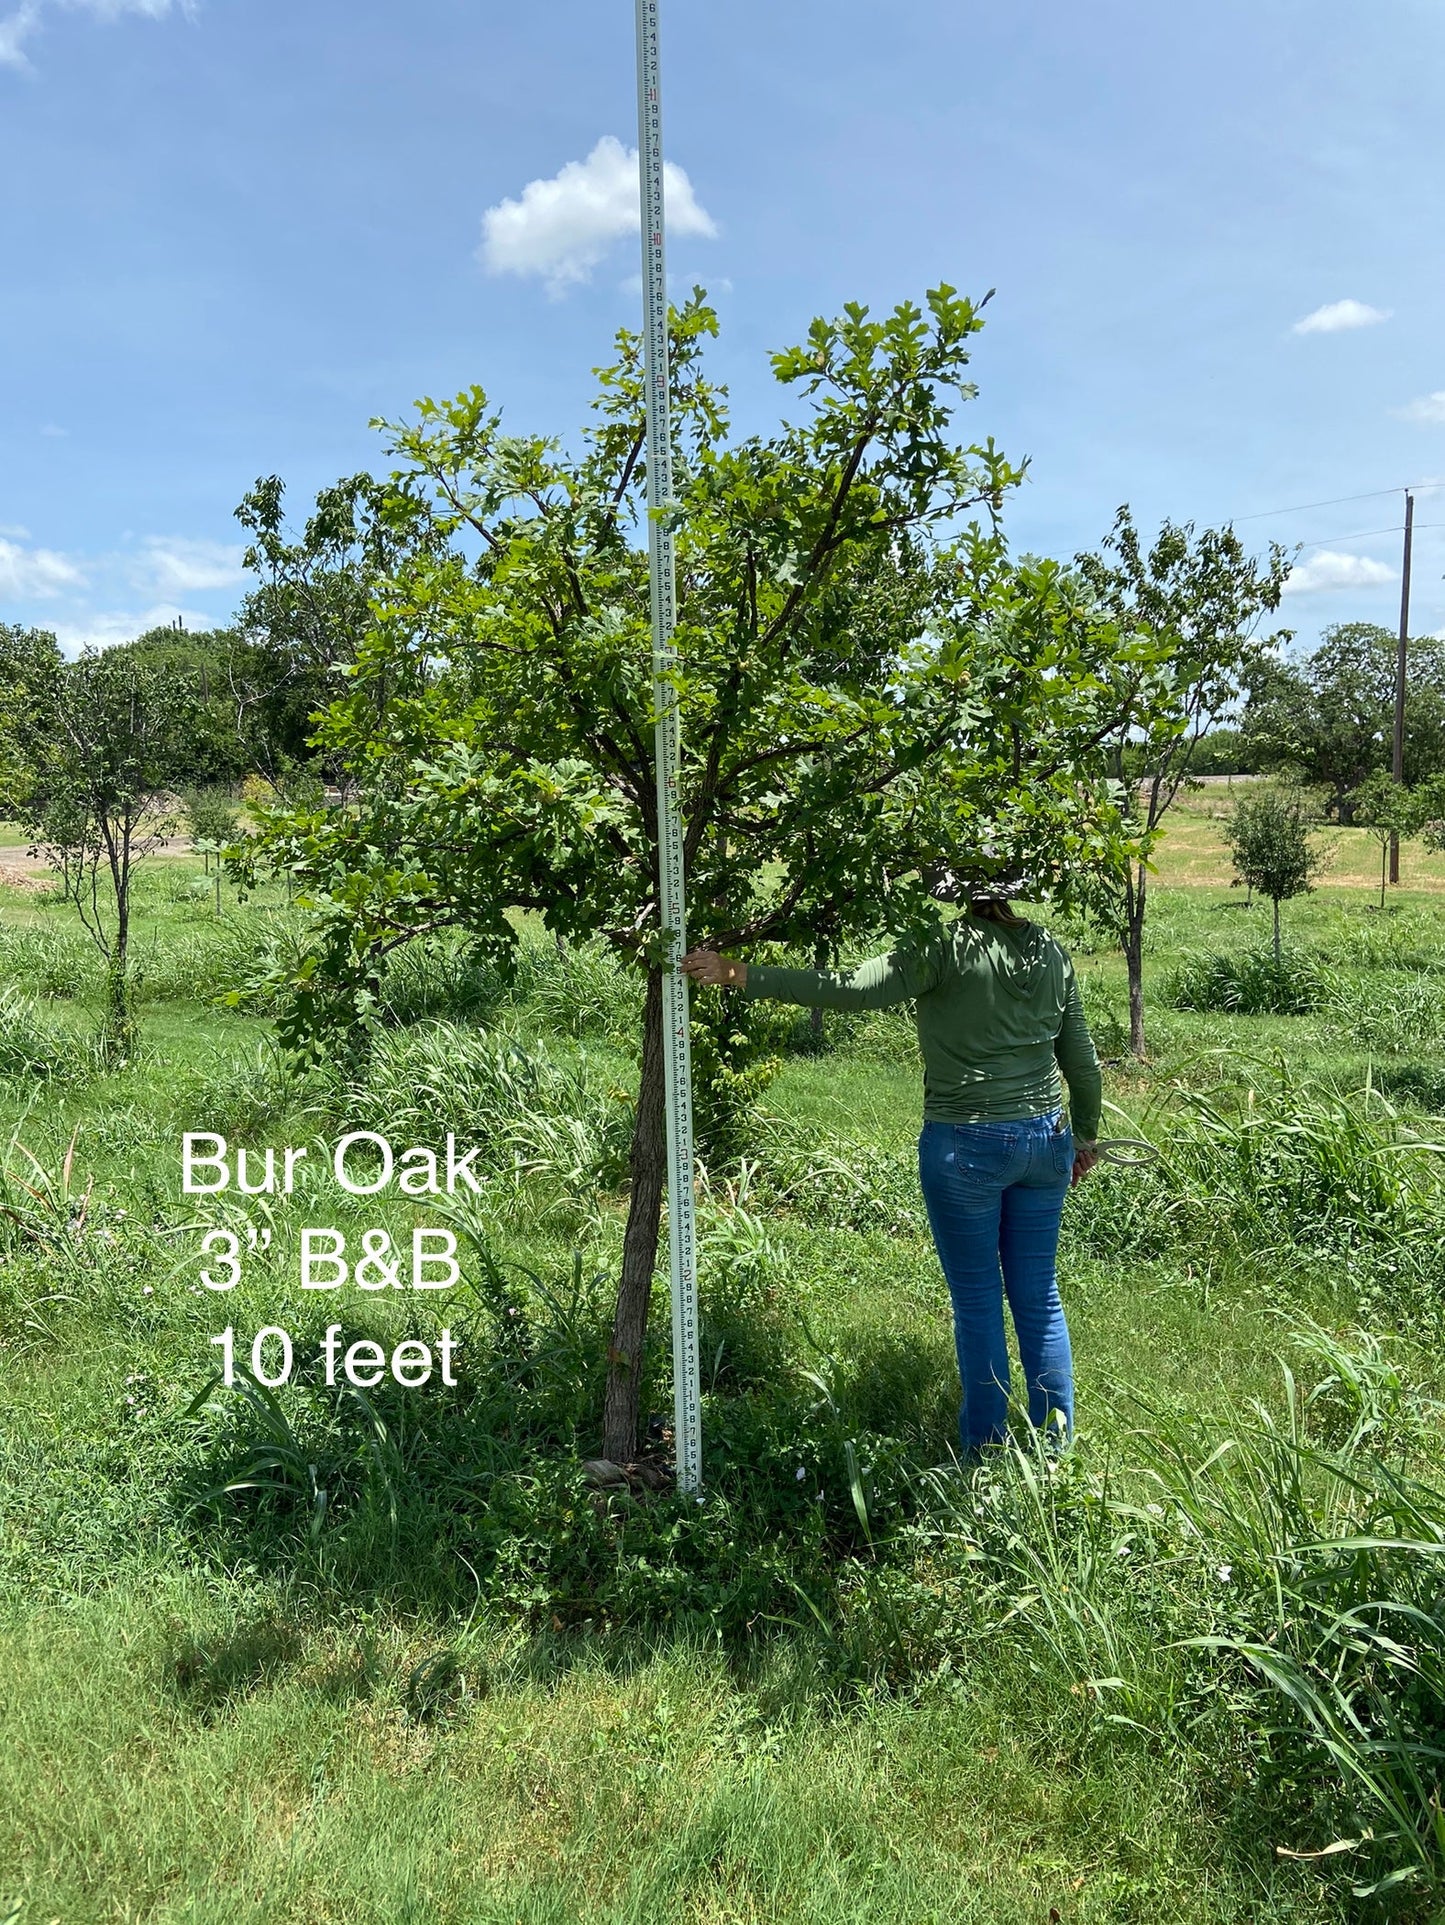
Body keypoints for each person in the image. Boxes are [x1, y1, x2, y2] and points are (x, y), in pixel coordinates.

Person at [681, 898, 1101, 1459]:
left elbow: (854, 989)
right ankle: (1055, 1453)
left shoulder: (945, 946)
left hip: (969, 1140)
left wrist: (739, 973)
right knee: (1039, 1297)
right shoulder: (1051, 951)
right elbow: (1082, 1060)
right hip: (1045, 1141)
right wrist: (1084, 1138)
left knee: (978, 1300)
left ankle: (984, 1452)